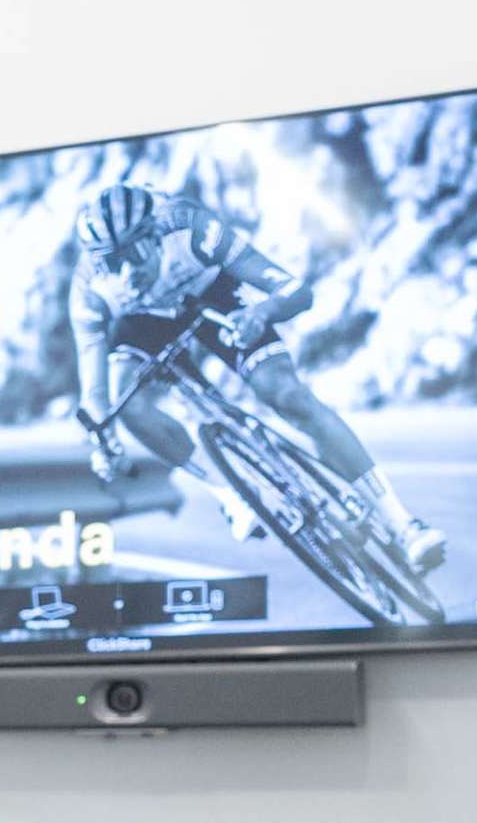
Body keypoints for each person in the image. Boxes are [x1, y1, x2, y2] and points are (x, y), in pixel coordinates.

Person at [66, 182, 442, 575]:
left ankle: (403, 525)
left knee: (285, 394)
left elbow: (297, 292)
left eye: (136, 252)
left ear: (156, 234)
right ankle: (228, 494)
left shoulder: (190, 228)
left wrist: (261, 313)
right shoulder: (89, 291)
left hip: (212, 293)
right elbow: (93, 395)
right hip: (142, 324)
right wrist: (102, 438)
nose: (127, 271)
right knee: (126, 403)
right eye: (113, 261)